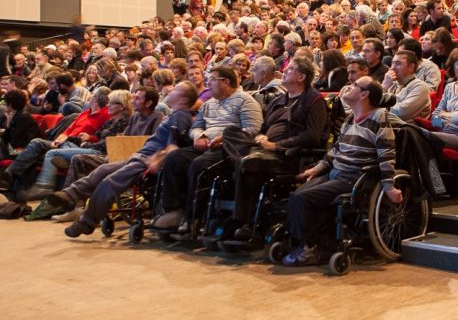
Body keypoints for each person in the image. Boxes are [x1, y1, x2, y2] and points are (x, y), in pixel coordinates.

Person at [52, 82, 198, 238]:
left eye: (176, 90)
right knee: (102, 169)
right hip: (138, 155)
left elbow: (175, 146)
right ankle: (70, 194)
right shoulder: (174, 114)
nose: (170, 91)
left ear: (182, 98)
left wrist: (157, 158)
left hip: (148, 159)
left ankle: (87, 222)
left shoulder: (181, 116)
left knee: (109, 182)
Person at [282, 77, 401, 266]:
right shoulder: (350, 118)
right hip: (335, 172)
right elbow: (336, 151)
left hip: (354, 177)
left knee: (303, 199)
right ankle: (311, 243)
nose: (349, 85)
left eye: (354, 85)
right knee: (297, 194)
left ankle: (311, 248)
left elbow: (387, 157)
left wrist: (389, 187)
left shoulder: (379, 120)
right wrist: (316, 168)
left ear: (364, 94)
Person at [222, 56, 329, 241]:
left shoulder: (314, 101)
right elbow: (264, 127)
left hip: (287, 156)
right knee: (230, 132)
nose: (284, 71)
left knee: (248, 166)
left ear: (302, 76)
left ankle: (242, 221)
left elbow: (312, 136)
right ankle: (248, 158)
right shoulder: (279, 99)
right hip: (261, 148)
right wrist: (260, 136)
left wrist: (276, 145)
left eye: (290, 69)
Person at [154, 66, 262, 232]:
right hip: (206, 145)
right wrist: (199, 137)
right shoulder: (208, 104)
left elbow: (251, 130)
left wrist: (224, 139)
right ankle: (174, 210)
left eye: (212, 80)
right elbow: (195, 127)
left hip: (229, 149)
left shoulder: (246, 101)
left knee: (198, 165)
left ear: (225, 82)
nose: (207, 83)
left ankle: (192, 217)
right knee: (174, 158)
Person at [0, 88, 112, 201]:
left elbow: (101, 138)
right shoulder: (84, 113)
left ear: (96, 99)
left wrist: (89, 138)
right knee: (37, 142)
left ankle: (38, 185)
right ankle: (10, 174)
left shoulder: (106, 115)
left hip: (78, 145)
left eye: (92, 95)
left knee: (43, 152)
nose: (89, 97)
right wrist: (59, 139)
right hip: (65, 141)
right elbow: (68, 129)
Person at [381, 50, 432, 121]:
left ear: (411, 67)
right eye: (392, 63)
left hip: (407, 129)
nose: (392, 67)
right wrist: (384, 87)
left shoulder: (420, 86)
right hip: (388, 125)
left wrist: (378, 106)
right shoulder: (392, 84)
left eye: (398, 64)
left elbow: (401, 113)